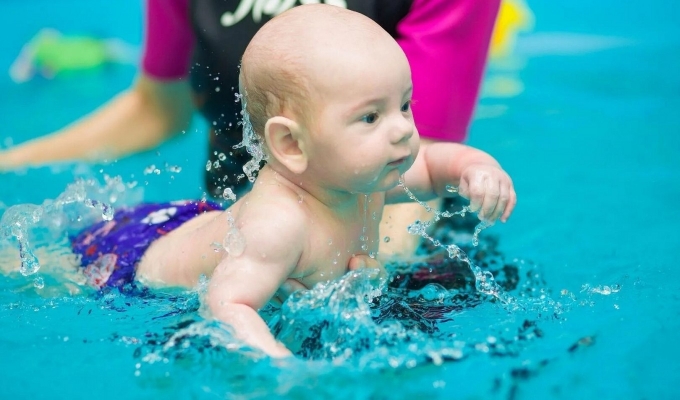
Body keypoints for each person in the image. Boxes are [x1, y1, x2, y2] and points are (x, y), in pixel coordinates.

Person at [67, 5, 516, 358]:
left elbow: (437, 167)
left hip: (201, 226)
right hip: (128, 262)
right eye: (370, 116)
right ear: (292, 144)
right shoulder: (278, 223)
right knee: (52, 268)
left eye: (405, 105)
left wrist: (475, 169)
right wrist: (279, 363)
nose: (401, 129)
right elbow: (227, 306)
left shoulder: (367, 175)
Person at [0, 0, 501, 257]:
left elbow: (415, 157)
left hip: (400, 237)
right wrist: (10, 164)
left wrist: (355, 279)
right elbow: (157, 110)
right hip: (232, 226)